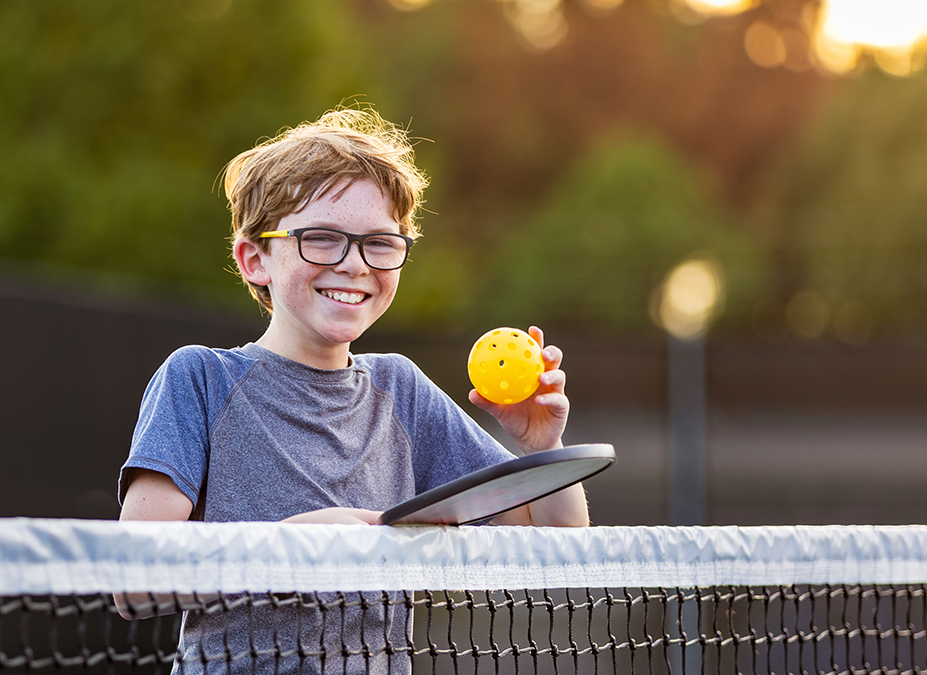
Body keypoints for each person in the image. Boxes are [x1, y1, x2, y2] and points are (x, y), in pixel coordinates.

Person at [115, 107, 588, 674]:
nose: (354, 264)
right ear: (254, 258)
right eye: (322, 239)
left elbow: (561, 547)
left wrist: (543, 448)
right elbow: (134, 583)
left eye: (380, 243)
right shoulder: (199, 380)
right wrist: (295, 545)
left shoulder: (401, 389)